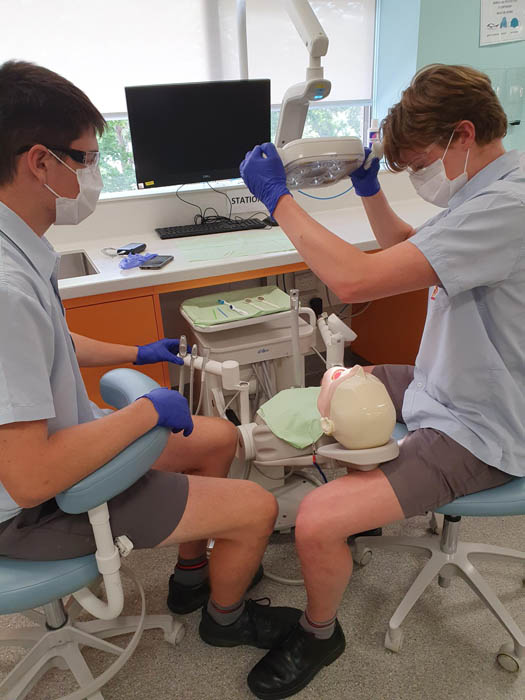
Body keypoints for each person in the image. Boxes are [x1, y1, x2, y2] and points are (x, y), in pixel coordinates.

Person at [239, 63, 525, 698]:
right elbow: (408, 249)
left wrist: (278, 200)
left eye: (419, 162)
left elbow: (355, 280)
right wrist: (369, 188)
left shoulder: (508, 207)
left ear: (463, 134)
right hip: (450, 379)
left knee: (316, 519)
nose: (419, 175)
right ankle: (364, 503)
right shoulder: (488, 191)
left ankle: (319, 634)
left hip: (481, 423)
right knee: (348, 378)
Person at [0, 59, 302, 656]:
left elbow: (51, 344)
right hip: (32, 508)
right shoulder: (7, 289)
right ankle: (225, 621)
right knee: (257, 507)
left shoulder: (20, 244)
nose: (92, 174)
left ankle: (191, 578)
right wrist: (144, 412)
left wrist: (138, 352)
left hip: (63, 449)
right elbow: (31, 477)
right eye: (85, 159)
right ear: (39, 162)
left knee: (218, 438)